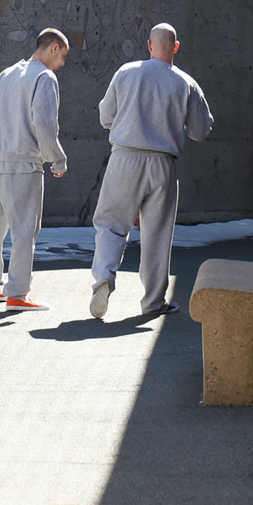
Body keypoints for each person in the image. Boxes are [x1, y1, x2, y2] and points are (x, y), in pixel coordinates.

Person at [89, 22, 213, 319]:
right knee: (157, 235)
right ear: (176, 47)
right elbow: (201, 131)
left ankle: (104, 277)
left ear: (149, 45)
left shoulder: (126, 72)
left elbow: (106, 117)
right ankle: (154, 302)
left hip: (124, 157)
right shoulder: (186, 83)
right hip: (163, 163)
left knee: (111, 223)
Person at [0, 28, 70, 310]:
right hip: (24, 164)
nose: (61, 63)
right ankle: (17, 293)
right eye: (62, 56)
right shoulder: (44, 77)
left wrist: (7, 121)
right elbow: (44, 122)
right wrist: (57, 159)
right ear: (53, 48)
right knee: (24, 229)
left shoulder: (7, 74)